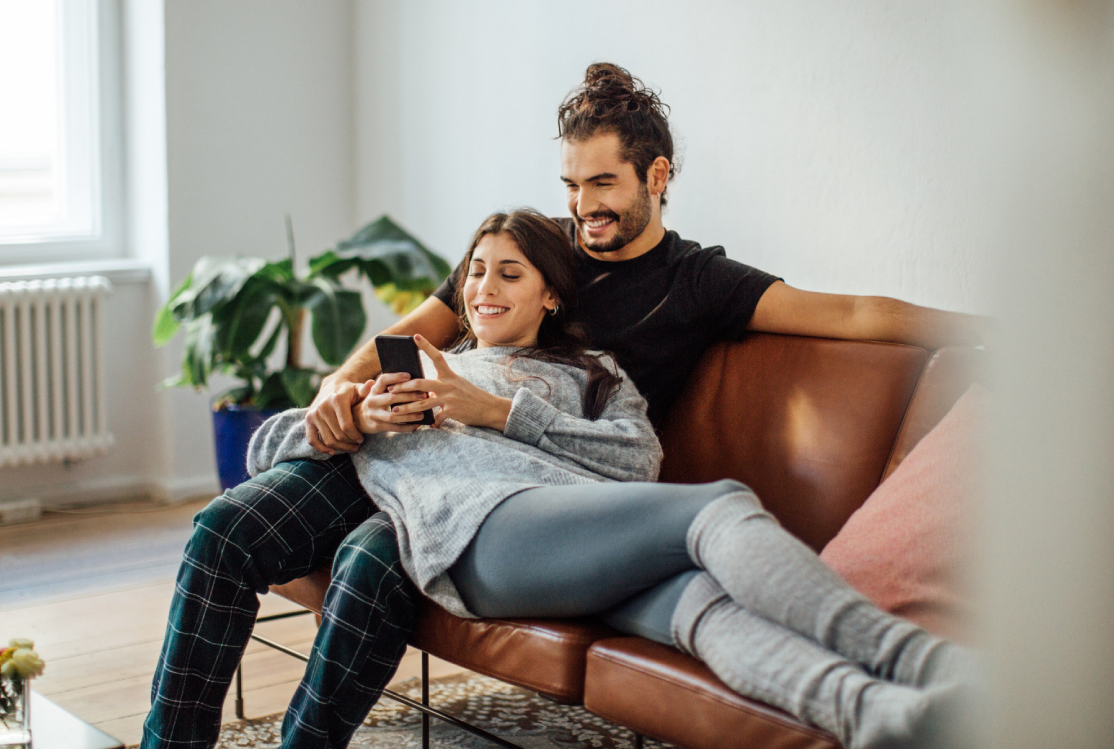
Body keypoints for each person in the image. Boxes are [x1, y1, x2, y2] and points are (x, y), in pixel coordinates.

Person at [143, 63, 986, 749]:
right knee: (227, 530)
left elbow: (851, 315)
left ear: (658, 177)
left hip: (539, 492)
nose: (584, 208)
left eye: (605, 184)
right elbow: (422, 326)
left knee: (389, 567)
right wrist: (339, 388)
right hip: (415, 455)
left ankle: (891, 706)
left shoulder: (694, 283)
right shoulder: (534, 245)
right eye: (573, 184)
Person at [251, 209, 977, 749]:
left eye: (510, 272)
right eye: (475, 272)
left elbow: (637, 460)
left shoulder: (596, 373)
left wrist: (504, 411)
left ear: (550, 297)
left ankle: (879, 715)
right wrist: (352, 410)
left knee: (703, 605)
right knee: (718, 506)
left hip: (578, 532)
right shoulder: (413, 373)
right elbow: (276, 444)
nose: (485, 288)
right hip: (478, 533)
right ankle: (922, 661)